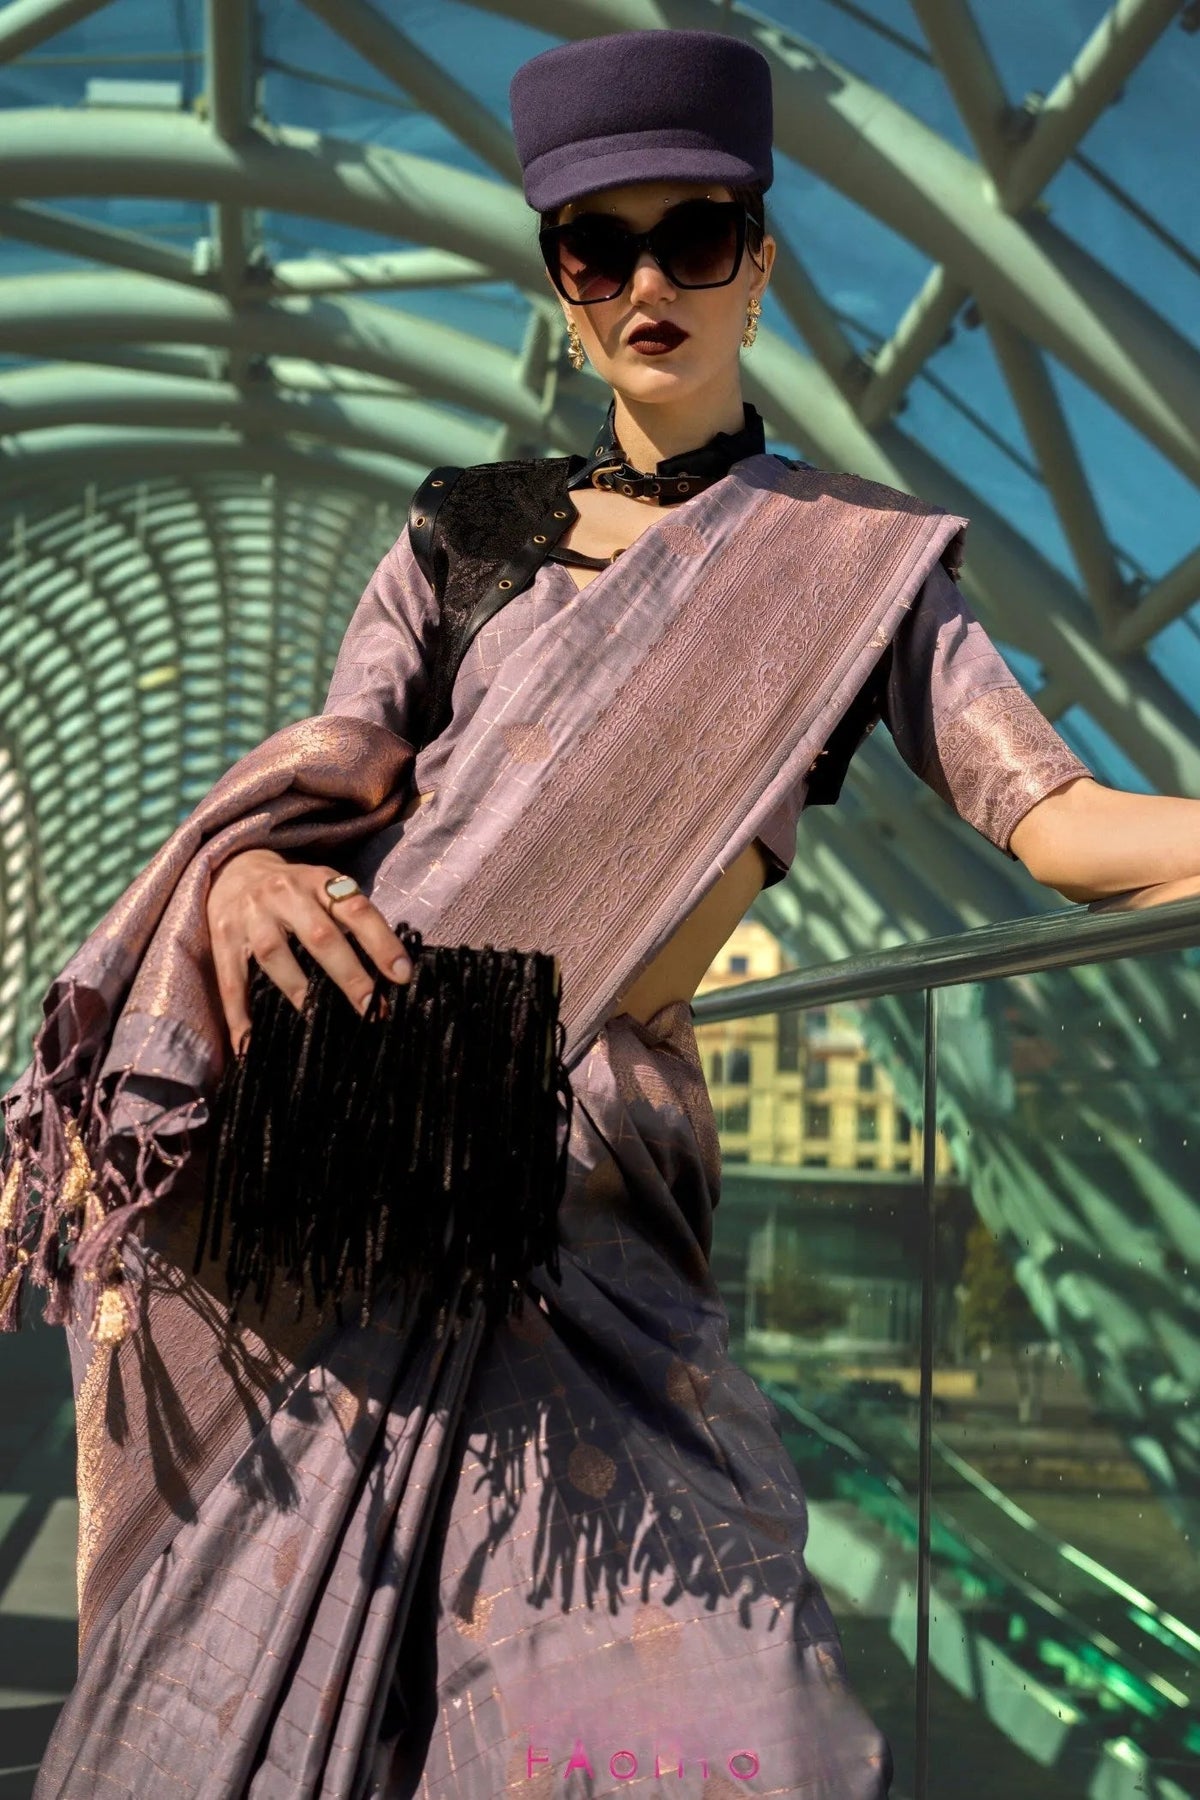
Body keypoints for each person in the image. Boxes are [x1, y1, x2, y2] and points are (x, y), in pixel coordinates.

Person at [3, 27, 1199, 1800]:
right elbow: (334, 781)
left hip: (591, 1224)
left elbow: (1062, 824)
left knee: (732, 1718)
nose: (648, 284)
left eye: (693, 237)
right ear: (562, 289)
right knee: (269, 1686)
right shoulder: (463, 534)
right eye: (598, 248)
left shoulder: (862, 568)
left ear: (759, 264)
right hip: (353, 1184)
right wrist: (240, 877)